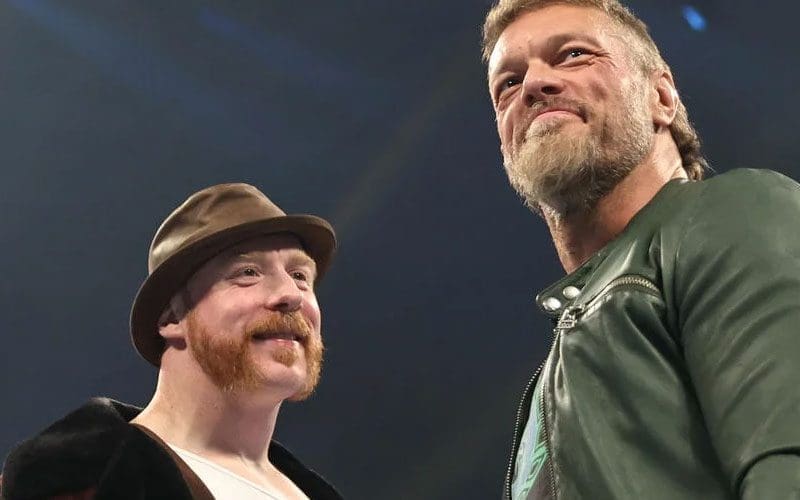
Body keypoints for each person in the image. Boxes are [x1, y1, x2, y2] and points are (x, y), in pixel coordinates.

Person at [482, 0, 800, 498]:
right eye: (508, 83)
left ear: (662, 96)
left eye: (573, 54)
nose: (533, 85)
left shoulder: (731, 214)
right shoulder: (553, 375)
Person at [1, 183, 343, 499]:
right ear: (171, 318)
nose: (290, 294)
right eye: (248, 272)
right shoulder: (78, 483)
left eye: (300, 276)